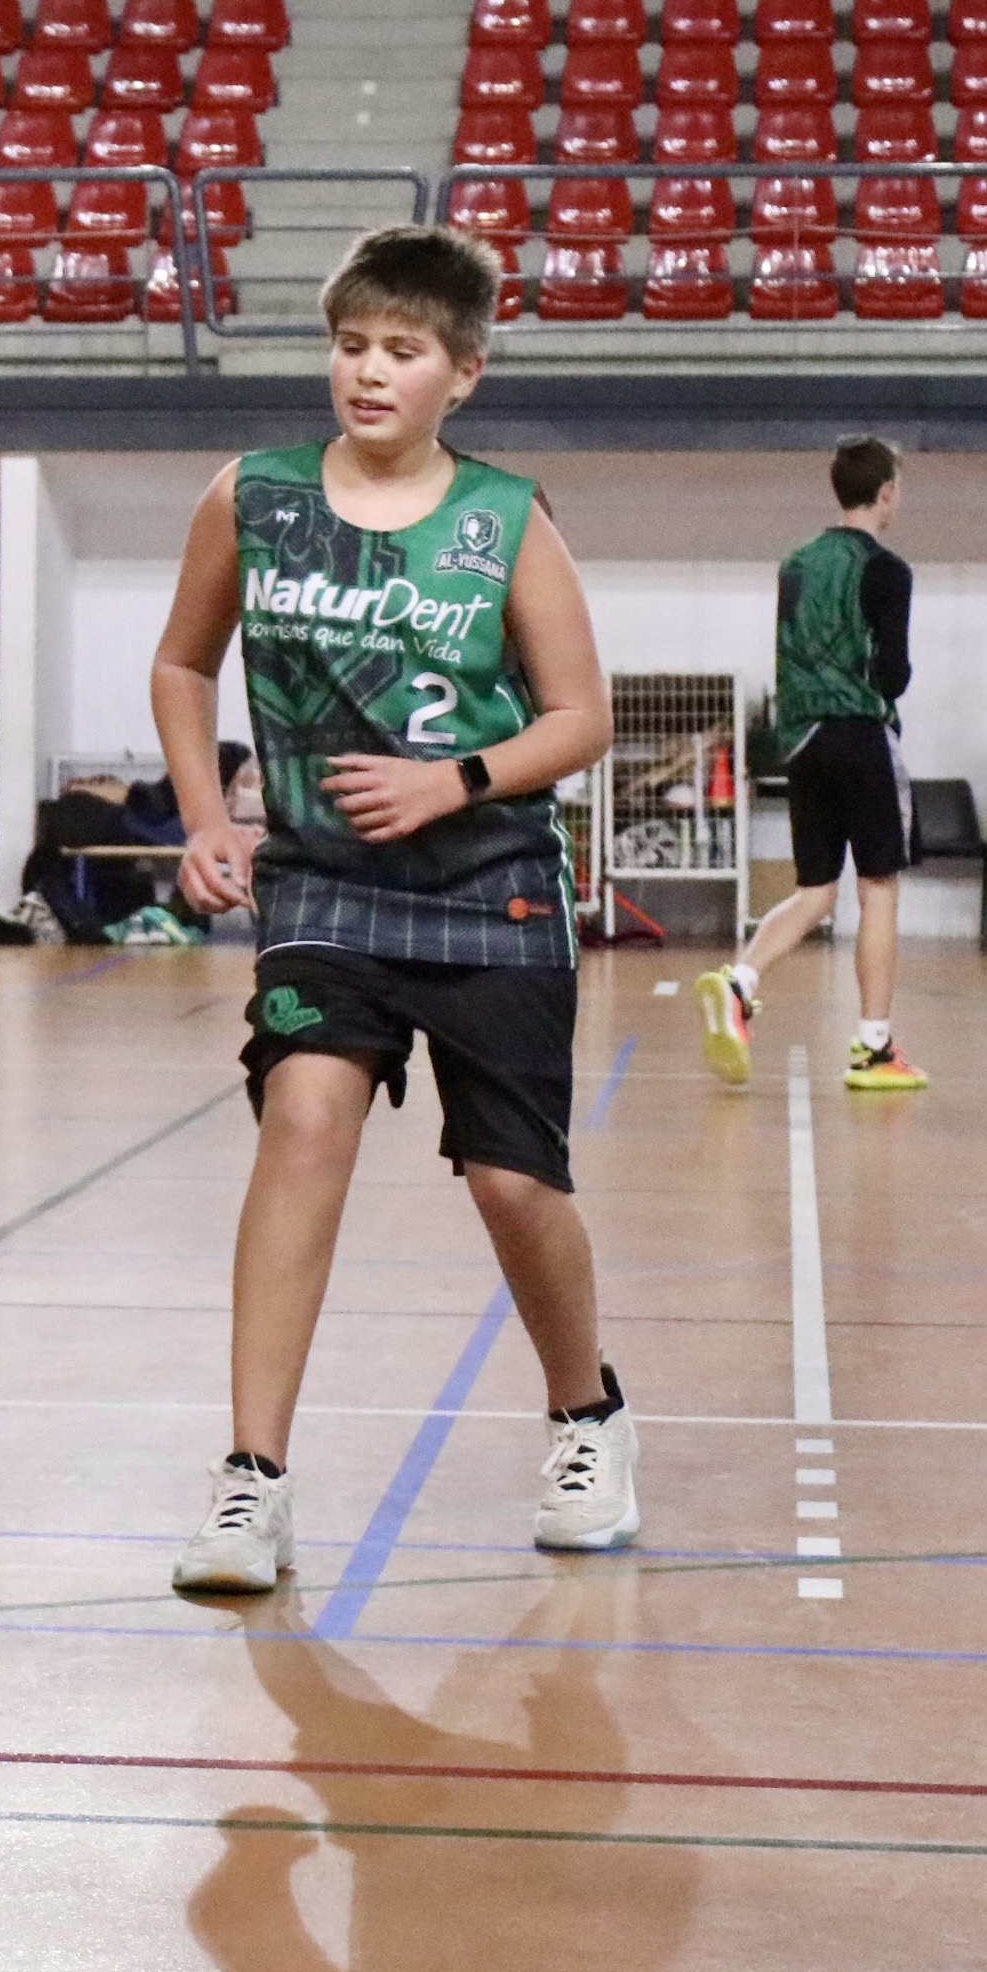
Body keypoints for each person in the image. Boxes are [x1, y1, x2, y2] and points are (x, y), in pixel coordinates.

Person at [149, 225, 632, 1595]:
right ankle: (251, 1480)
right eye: (352, 345)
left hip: (493, 883)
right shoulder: (253, 494)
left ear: (460, 374)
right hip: (323, 886)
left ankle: (586, 1416)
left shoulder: (503, 517)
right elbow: (184, 664)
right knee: (304, 1123)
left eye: (402, 351)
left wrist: (450, 783)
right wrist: (204, 815)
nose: (369, 372)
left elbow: (581, 715)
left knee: (511, 1184)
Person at [694, 436, 925, 1094]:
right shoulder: (887, 569)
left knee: (814, 890)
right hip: (858, 732)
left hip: (801, 739)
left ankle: (740, 982)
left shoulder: (795, 563)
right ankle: (875, 1045)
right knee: (877, 887)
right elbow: (894, 673)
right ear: (885, 493)